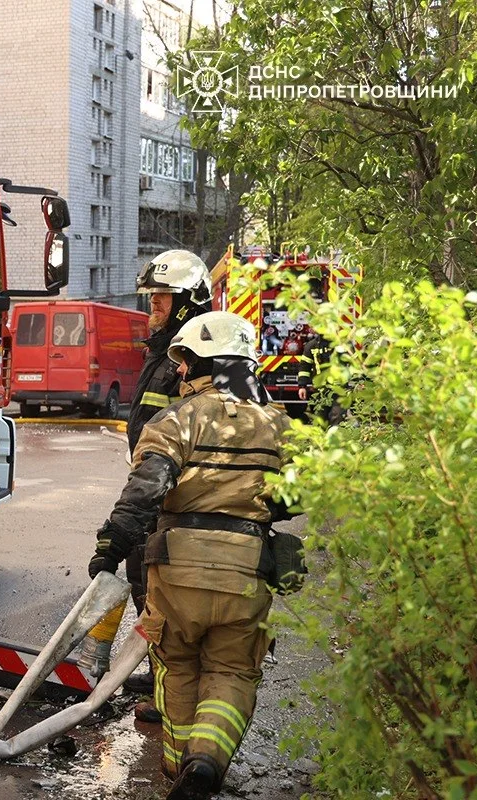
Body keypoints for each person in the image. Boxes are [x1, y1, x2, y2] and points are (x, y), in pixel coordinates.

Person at [87, 311, 293, 800]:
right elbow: (297, 500)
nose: (179, 370)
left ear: (210, 364)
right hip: (247, 572)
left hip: (176, 571)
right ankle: (205, 762)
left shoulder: (177, 419)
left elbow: (146, 490)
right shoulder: (281, 425)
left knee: (176, 667)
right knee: (233, 672)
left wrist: (110, 547)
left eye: (187, 360)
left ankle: (177, 766)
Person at [78, 249, 212, 722]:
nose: (152, 305)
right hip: (153, 486)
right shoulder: (163, 353)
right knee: (144, 585)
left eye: (162, 298)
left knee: (164, 594)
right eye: (152, 297)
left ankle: (174, 692)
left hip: (171, 494)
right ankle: (160, 673)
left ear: (188, 302)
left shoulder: (192, 359)